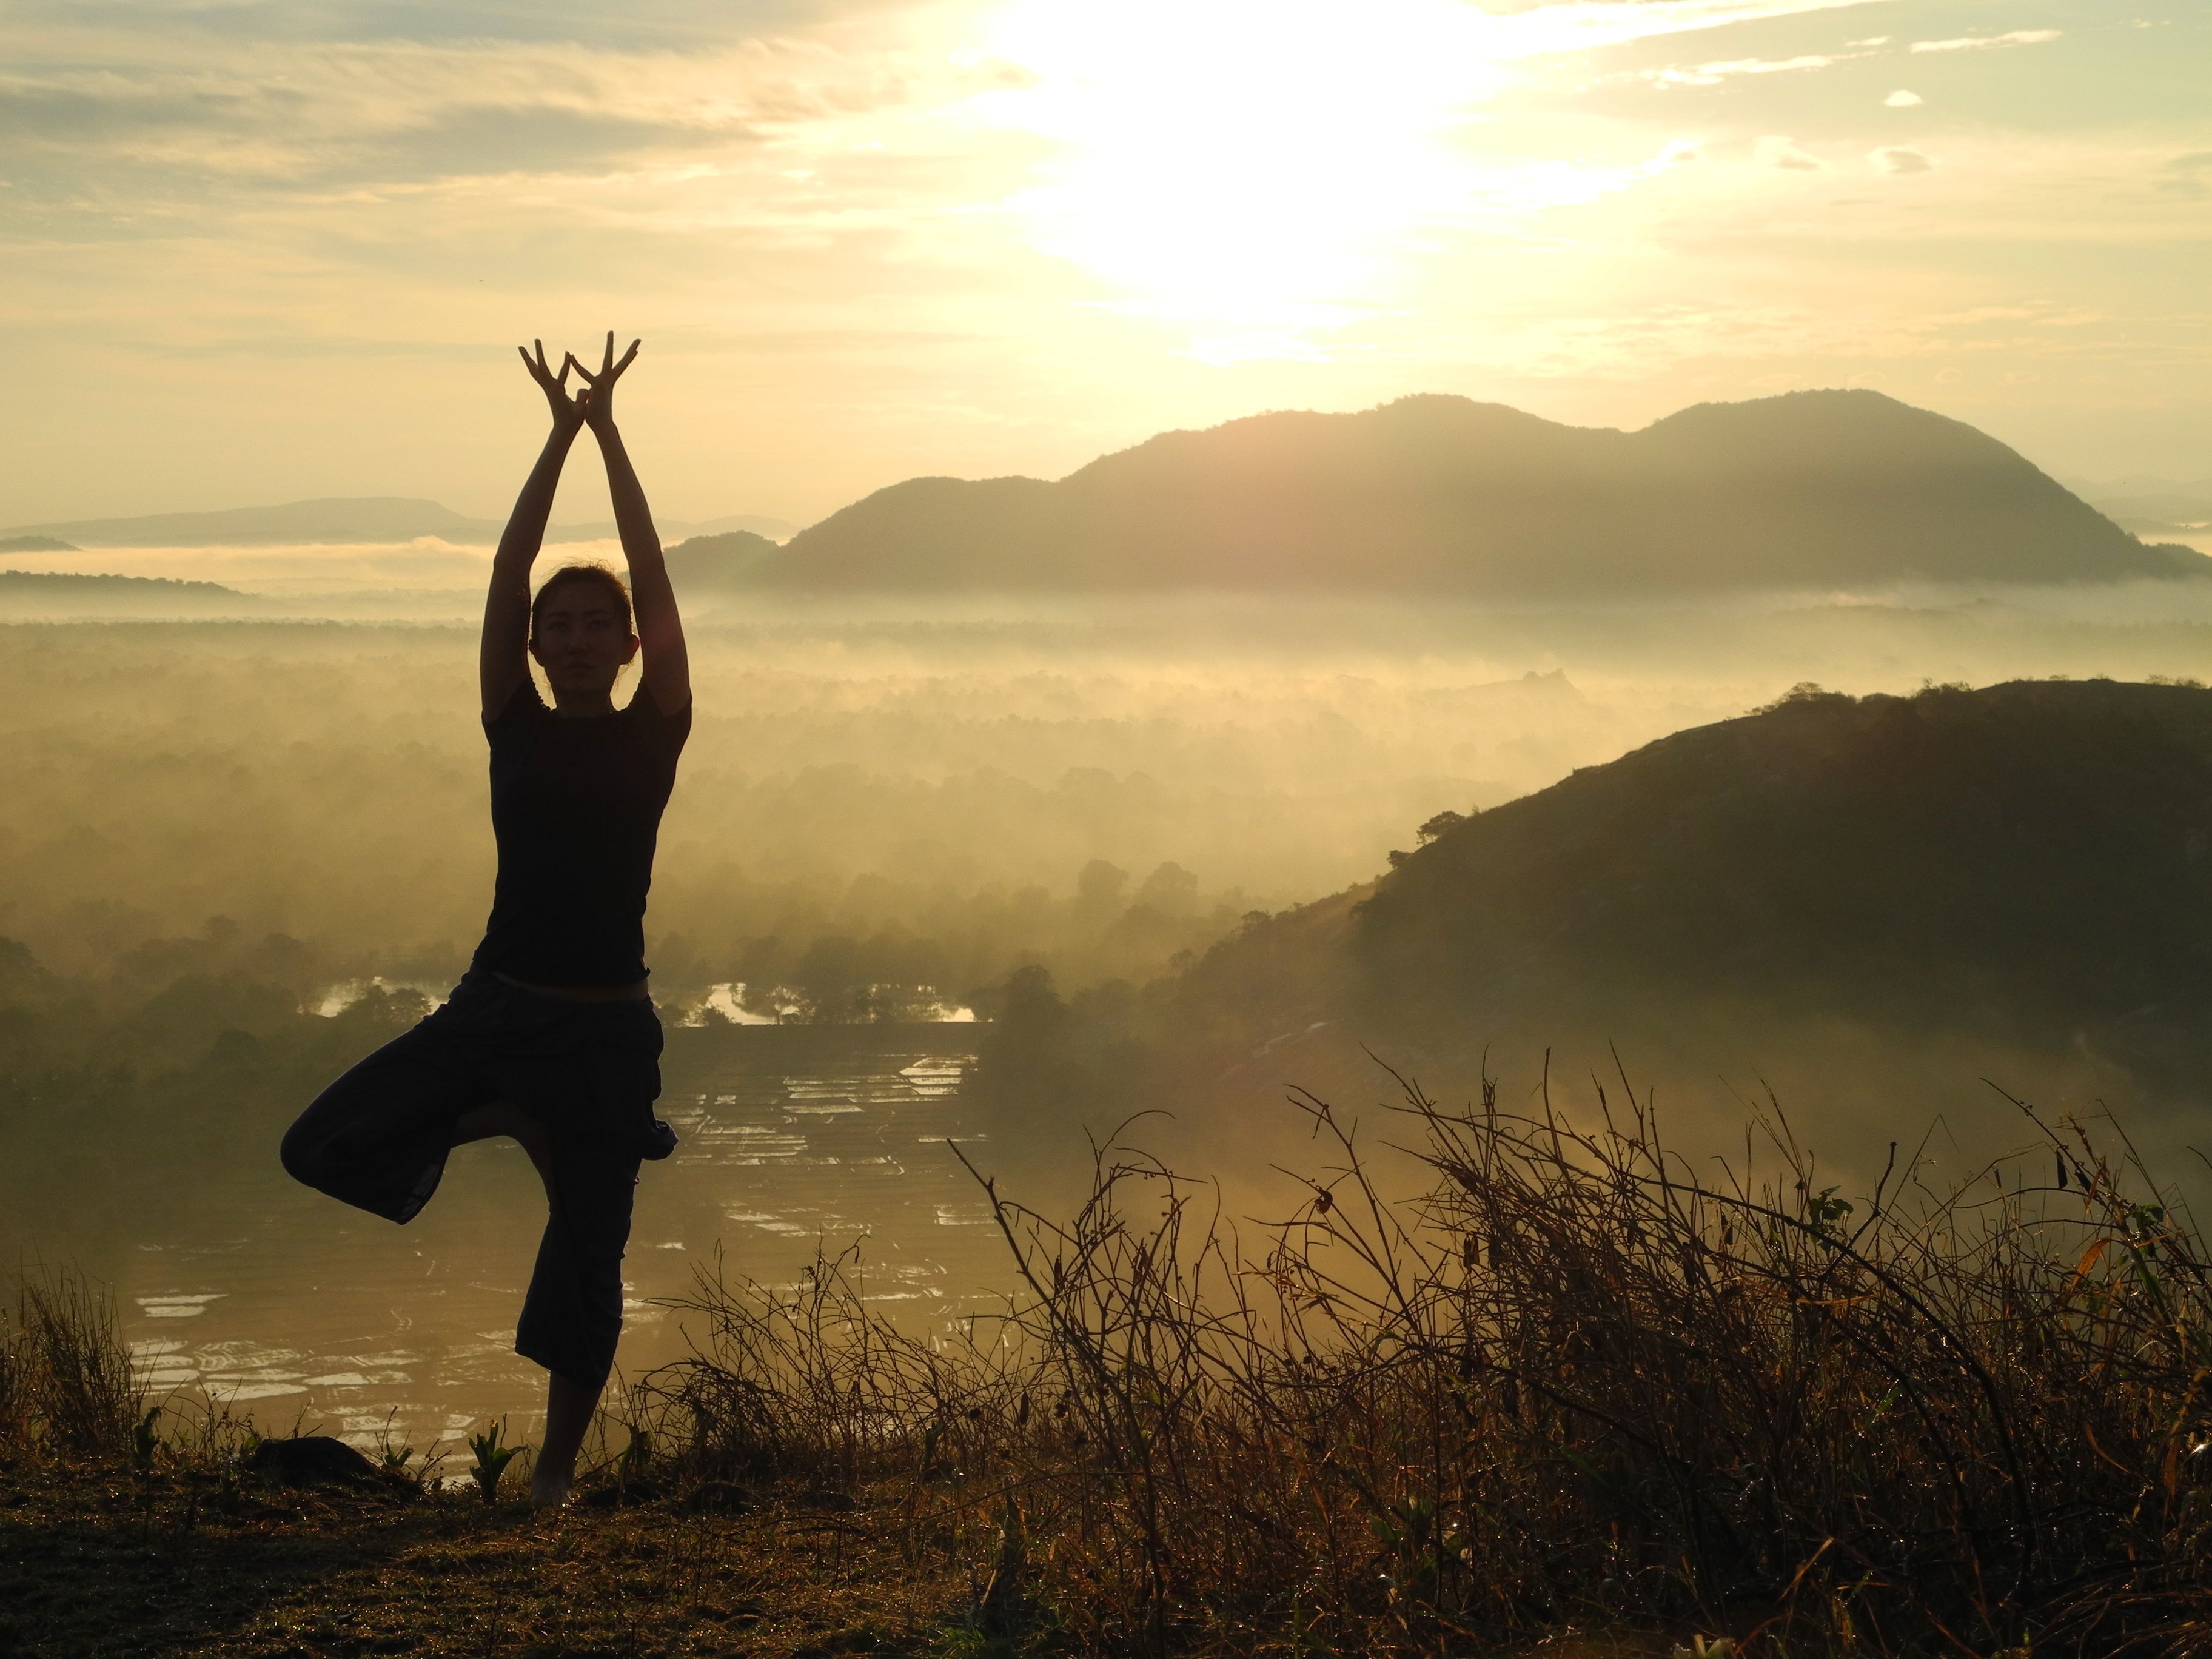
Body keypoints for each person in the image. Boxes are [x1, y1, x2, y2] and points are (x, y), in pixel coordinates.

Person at [280, 333, 692, 1505]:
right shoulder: (511, 720)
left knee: (589, 1257)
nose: (577, 636)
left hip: (605, 1035)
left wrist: (613, 438)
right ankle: (509, 1114)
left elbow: (655, 576)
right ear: (534, 647)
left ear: (628, 646)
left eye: (597, 624)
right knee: (321, 1143)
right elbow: (509, 572)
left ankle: (553, 1479)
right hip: (495, 1015)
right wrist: (557, 437)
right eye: (558, 625)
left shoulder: (655, 728)